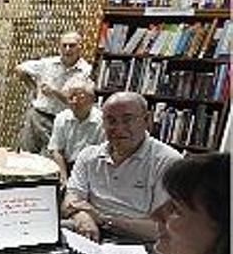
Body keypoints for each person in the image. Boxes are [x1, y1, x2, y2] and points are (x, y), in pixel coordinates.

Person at [62, 92, 182, 242]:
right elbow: (70, 201)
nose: (118, 128)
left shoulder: (168, 162)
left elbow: (162, 229)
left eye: (127, 120)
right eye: (111, 121)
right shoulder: (89, 156)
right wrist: (84, 217)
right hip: (88, 231)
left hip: (139, 243)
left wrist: (103, 220)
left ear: (147, 120)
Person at [15, 31, 92, 155]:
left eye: (72, 45)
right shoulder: (48, 63)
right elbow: (20, 69)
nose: (67, 49)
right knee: (25, 154)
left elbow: (73, 100)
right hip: (37, 115)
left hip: (61, 120)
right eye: (64, 45)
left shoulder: (85, 70)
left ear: (80, 47)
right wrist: (33, 87)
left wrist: (54, 91)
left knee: (50, 158)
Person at [46, 76, 104, 186]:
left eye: (80, 97)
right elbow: (56, 150)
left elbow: (102, 155)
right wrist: (63, 177)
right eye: (70, 97)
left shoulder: (102, 121)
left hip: (92, 170)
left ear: (91, 99)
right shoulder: (61, 118)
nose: (74, 101)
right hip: (66, 166)